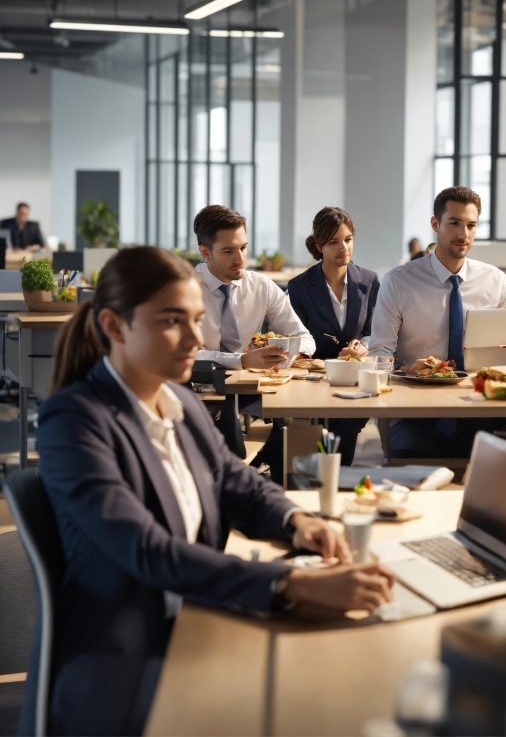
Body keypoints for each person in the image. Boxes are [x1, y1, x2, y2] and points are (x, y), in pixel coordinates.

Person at [30, 246, 395, 736]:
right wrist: (289, 583)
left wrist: (297, 521)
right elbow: (149, 550)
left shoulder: (176, 398)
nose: (195, 338)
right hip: (133, 660)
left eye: (197, 320)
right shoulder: (74, 422)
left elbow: (236, 481)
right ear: (116, 327)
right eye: (171, 321)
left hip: (202, 619)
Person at [368, 186, 506, 459]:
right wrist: (407, 369)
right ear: (435, 224)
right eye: (454, 223)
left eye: (471, 225)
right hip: (416, 412)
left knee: (502, 466)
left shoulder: (495, 281)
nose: (463, 234)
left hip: (480, 407)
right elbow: (378, 354)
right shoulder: (399, 281)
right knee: (414, 465)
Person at [287, 207, 380, 466]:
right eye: (334, 242)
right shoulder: (300, 287)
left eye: (348, 239)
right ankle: (327, 480)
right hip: (314, 379)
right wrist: (334, 358)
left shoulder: (369, 281)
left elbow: (373, 330)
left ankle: (335, 479)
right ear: (319, 245)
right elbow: (299, 338)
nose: (344, 248)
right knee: (323, 429)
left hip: (355, 377)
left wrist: (362, 346)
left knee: (345, 424)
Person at [193, 205, 315, 370]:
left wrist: (279, 354)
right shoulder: (184, 291)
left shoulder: (261, 286)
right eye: (228, 251)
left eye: (243, 248)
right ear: (205, 252)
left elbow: (304, 339)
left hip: (252, 386)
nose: (240, 260)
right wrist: (242, 361)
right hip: (200, 389)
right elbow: (181, 354)